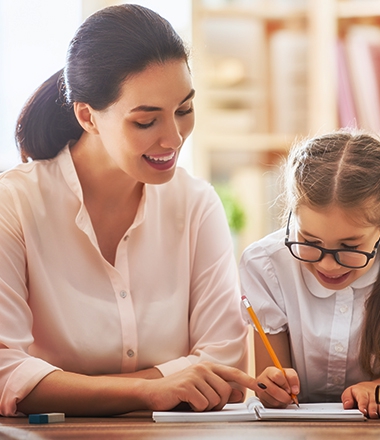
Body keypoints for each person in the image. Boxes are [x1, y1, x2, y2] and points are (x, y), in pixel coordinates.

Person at [0, 4, 259, 417]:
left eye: (184, 110)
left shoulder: (195, 204)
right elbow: (5, 373)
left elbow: (224, 369)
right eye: (146, 121)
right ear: (87, 116)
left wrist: (58, 384)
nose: (174, 138)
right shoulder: (13, 205)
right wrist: (150, 389)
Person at [239, 130, 380, 419]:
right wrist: (272, 387)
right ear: (293, 217)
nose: (328, 265)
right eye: (310, 241)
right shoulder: (266, 265)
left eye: (349, 246)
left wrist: (379, 388)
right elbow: (271, 390)